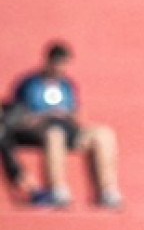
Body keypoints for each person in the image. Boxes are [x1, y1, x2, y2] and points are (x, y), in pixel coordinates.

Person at [4, 42, 122, 208]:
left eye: (64, 63)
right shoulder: (30, 84)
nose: (60, 67)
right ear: (49, 61)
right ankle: (58, 189)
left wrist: (70, 117)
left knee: (104, 134)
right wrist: (45, 116)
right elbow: (19, 114)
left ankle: (108, 191)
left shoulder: (67, 86)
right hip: (42, 132)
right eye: (57, 62)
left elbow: (77, 113)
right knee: (55, 134)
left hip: (69, 130)